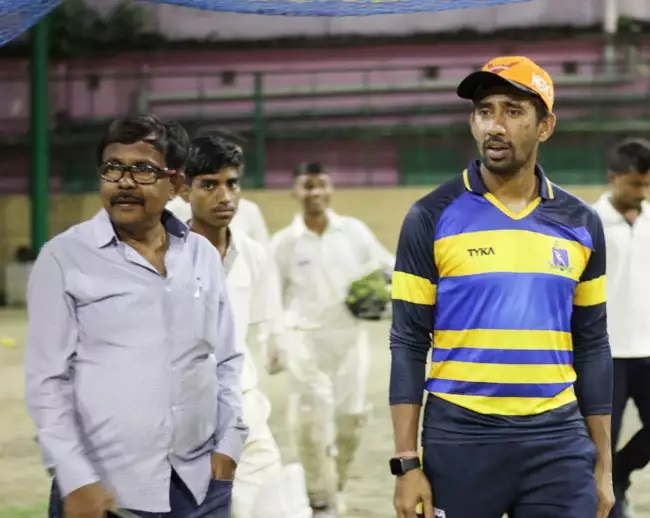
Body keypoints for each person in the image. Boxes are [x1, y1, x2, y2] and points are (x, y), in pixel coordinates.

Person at [389, 56, 614, 518]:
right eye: (485, 110)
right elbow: (408, 342)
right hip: (461, 438)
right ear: (472, 122)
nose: (496, 125)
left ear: (545, 126)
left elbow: (592, 344)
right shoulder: (429, 216)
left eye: (513, 111)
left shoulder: (582, 222)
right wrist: (407, 463)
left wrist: (604, 466)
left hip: (557, 441)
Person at [24, 115, 247, 518]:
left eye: (143, 169)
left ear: (176, 185)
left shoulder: (200, 256)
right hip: (105, 493)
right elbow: (46, 382)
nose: (124, 182)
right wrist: (76, 479)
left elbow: (227, 359)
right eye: (113, 168)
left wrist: (229, 446)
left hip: (198, 488)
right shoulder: (64, 258)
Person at [184, 135, 312, 518]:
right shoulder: (165, 256)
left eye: (231, 183)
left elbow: (256, 326)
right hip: (183, 416)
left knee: (276, 508)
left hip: (244, 407)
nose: (224, 196)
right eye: (209, 184)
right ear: (184, 189)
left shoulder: (254, 256)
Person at [271, 161, 395, 516]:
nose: (316, 193)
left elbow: (386, 265)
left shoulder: (353, 232)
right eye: (308, 186)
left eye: (322, 185)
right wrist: (274, 340)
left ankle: (335, 483)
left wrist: (390, 289)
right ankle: (319, 497)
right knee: (310, 423)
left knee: (351, 422)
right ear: (295, 192)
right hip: (304, 342)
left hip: (349, 341)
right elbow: (271, 297)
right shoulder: (284, 243)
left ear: (330, 189)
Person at [593, 138, 650, 518]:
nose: (642, 193)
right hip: (604, 354)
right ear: (613, 177)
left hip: (648, 348)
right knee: (600, 449)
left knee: (617, 460)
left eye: (647, 184)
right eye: (635, 184)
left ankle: (623, 472)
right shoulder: (588, 220)